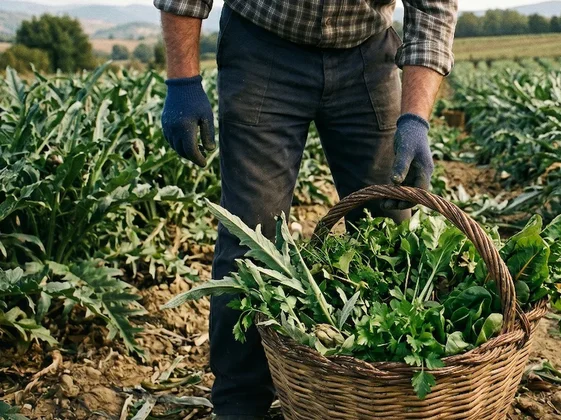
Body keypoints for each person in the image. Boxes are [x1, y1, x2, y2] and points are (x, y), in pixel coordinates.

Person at [153, 0, 457, 417]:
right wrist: (182, 81)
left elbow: (433, 8)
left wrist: (415, 119)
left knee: (390, 236)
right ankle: (240, 401)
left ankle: (386, 391)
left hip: (367, 53)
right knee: (251, 241)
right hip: (262, 50)